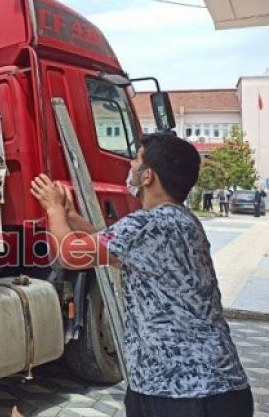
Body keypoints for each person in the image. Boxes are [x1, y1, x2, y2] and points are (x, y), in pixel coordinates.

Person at [30, 133, 252, 417]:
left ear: (148, 176)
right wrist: (71, 216)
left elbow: (71, 254)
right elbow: (108, 246)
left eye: (136, 158)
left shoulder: (150, 224)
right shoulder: (178, 220)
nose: (130, 165)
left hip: (185, 395)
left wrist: (53, 209)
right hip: (195, 390)